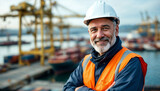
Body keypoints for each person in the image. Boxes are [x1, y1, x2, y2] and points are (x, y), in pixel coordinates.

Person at [63, 0, 147, 91]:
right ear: (89, 33)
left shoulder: (131, 63)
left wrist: (79, 89)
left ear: (116, 30)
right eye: (94, 30)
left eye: (105, 28)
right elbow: (66, 88)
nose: (99, 35)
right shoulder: (86, 62)